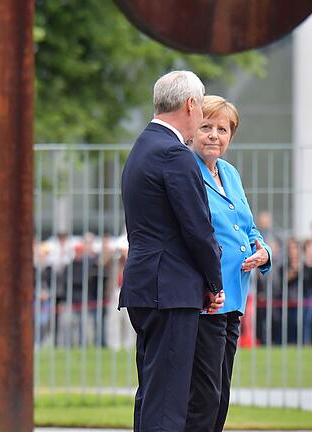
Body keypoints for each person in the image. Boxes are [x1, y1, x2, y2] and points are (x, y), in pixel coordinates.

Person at [120, 71, 224, 431]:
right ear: (191, 104)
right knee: (168, 401)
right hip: (172, 290)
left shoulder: (142, 147)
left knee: (151, 393)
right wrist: (215, 282)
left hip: (146, 286)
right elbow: (198, 229)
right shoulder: (174, 154)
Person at [186, 95, 271, 432]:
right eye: (206, 127)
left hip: (236, 297)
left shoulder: (230, 173)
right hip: (207, 299)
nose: (213, 135)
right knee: (205, 395)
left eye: (222, 129)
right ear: (192, 131)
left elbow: (247, 226)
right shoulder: (186, 169)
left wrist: (263, 250)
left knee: (221, 393)